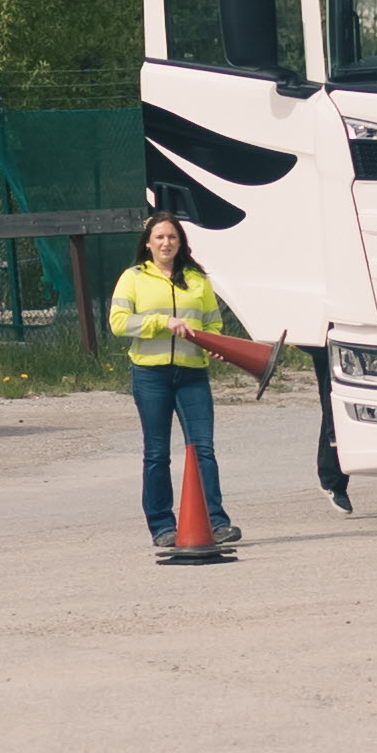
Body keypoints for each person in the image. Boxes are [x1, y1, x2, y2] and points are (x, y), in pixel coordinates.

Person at [109, 215, 244, 552]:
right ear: (147, 243)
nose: (166, 243)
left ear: (181, 242)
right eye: (159, 237)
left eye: (172, 237)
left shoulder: (198, 280)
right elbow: (118, 323)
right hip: (150, 375)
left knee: (203, 449)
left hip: (192, 375)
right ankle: (162, 526)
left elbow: (212, 323)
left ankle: (216, 522)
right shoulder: (133, 278)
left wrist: (214, 346)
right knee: (157, 454)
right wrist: (161, 322)